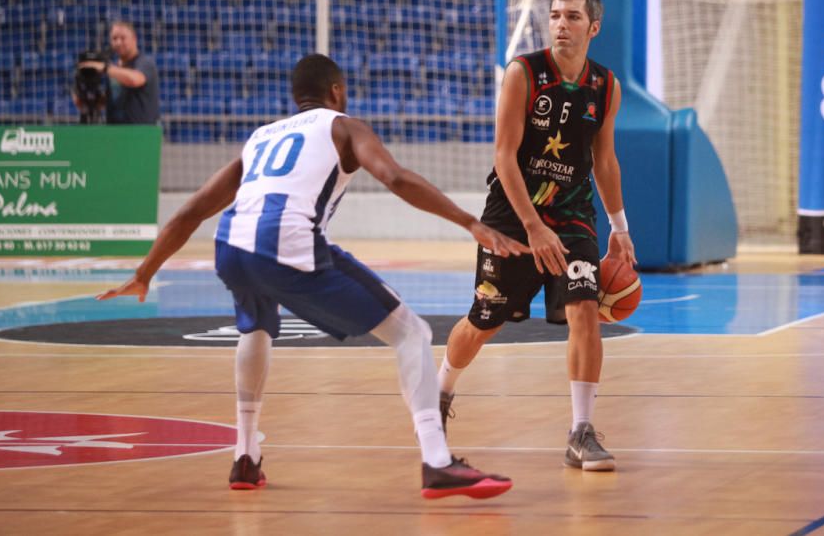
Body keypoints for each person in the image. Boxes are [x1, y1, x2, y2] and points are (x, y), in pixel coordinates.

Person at [98, 54, 528, 499]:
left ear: (295, 97)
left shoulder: (261, 137)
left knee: (257, 327)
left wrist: (144, 273)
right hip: (284, 240)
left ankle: (245, 457)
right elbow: (395, 177)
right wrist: (469, 222)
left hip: (230, 246)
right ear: (337, 91)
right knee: (411, 333)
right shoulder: (344, 126)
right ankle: (437, 463)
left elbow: (190, 211)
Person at [437, 0, 636, 472]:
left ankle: (581, 432)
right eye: (554, 16)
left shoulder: (605, 87)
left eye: (572, 17)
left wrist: (620, 226)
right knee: (486, 320)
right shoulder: (524, 73)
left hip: (571, 217)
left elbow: (604, 159)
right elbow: (503, 155)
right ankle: (438, 393)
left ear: (593, 28)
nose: (561, 24)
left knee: (585, 308)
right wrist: (531, 227)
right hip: (512, 216)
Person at [75, 20, 160, 124]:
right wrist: (83, 97)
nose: (118, 42)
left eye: (123, 38)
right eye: (114, 38)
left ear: (134, 39)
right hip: (116, 133)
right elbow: (109, 101)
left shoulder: (145, 63)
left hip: (141, 133)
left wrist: (105, 68)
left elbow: (135, 80)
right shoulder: (114, 69)